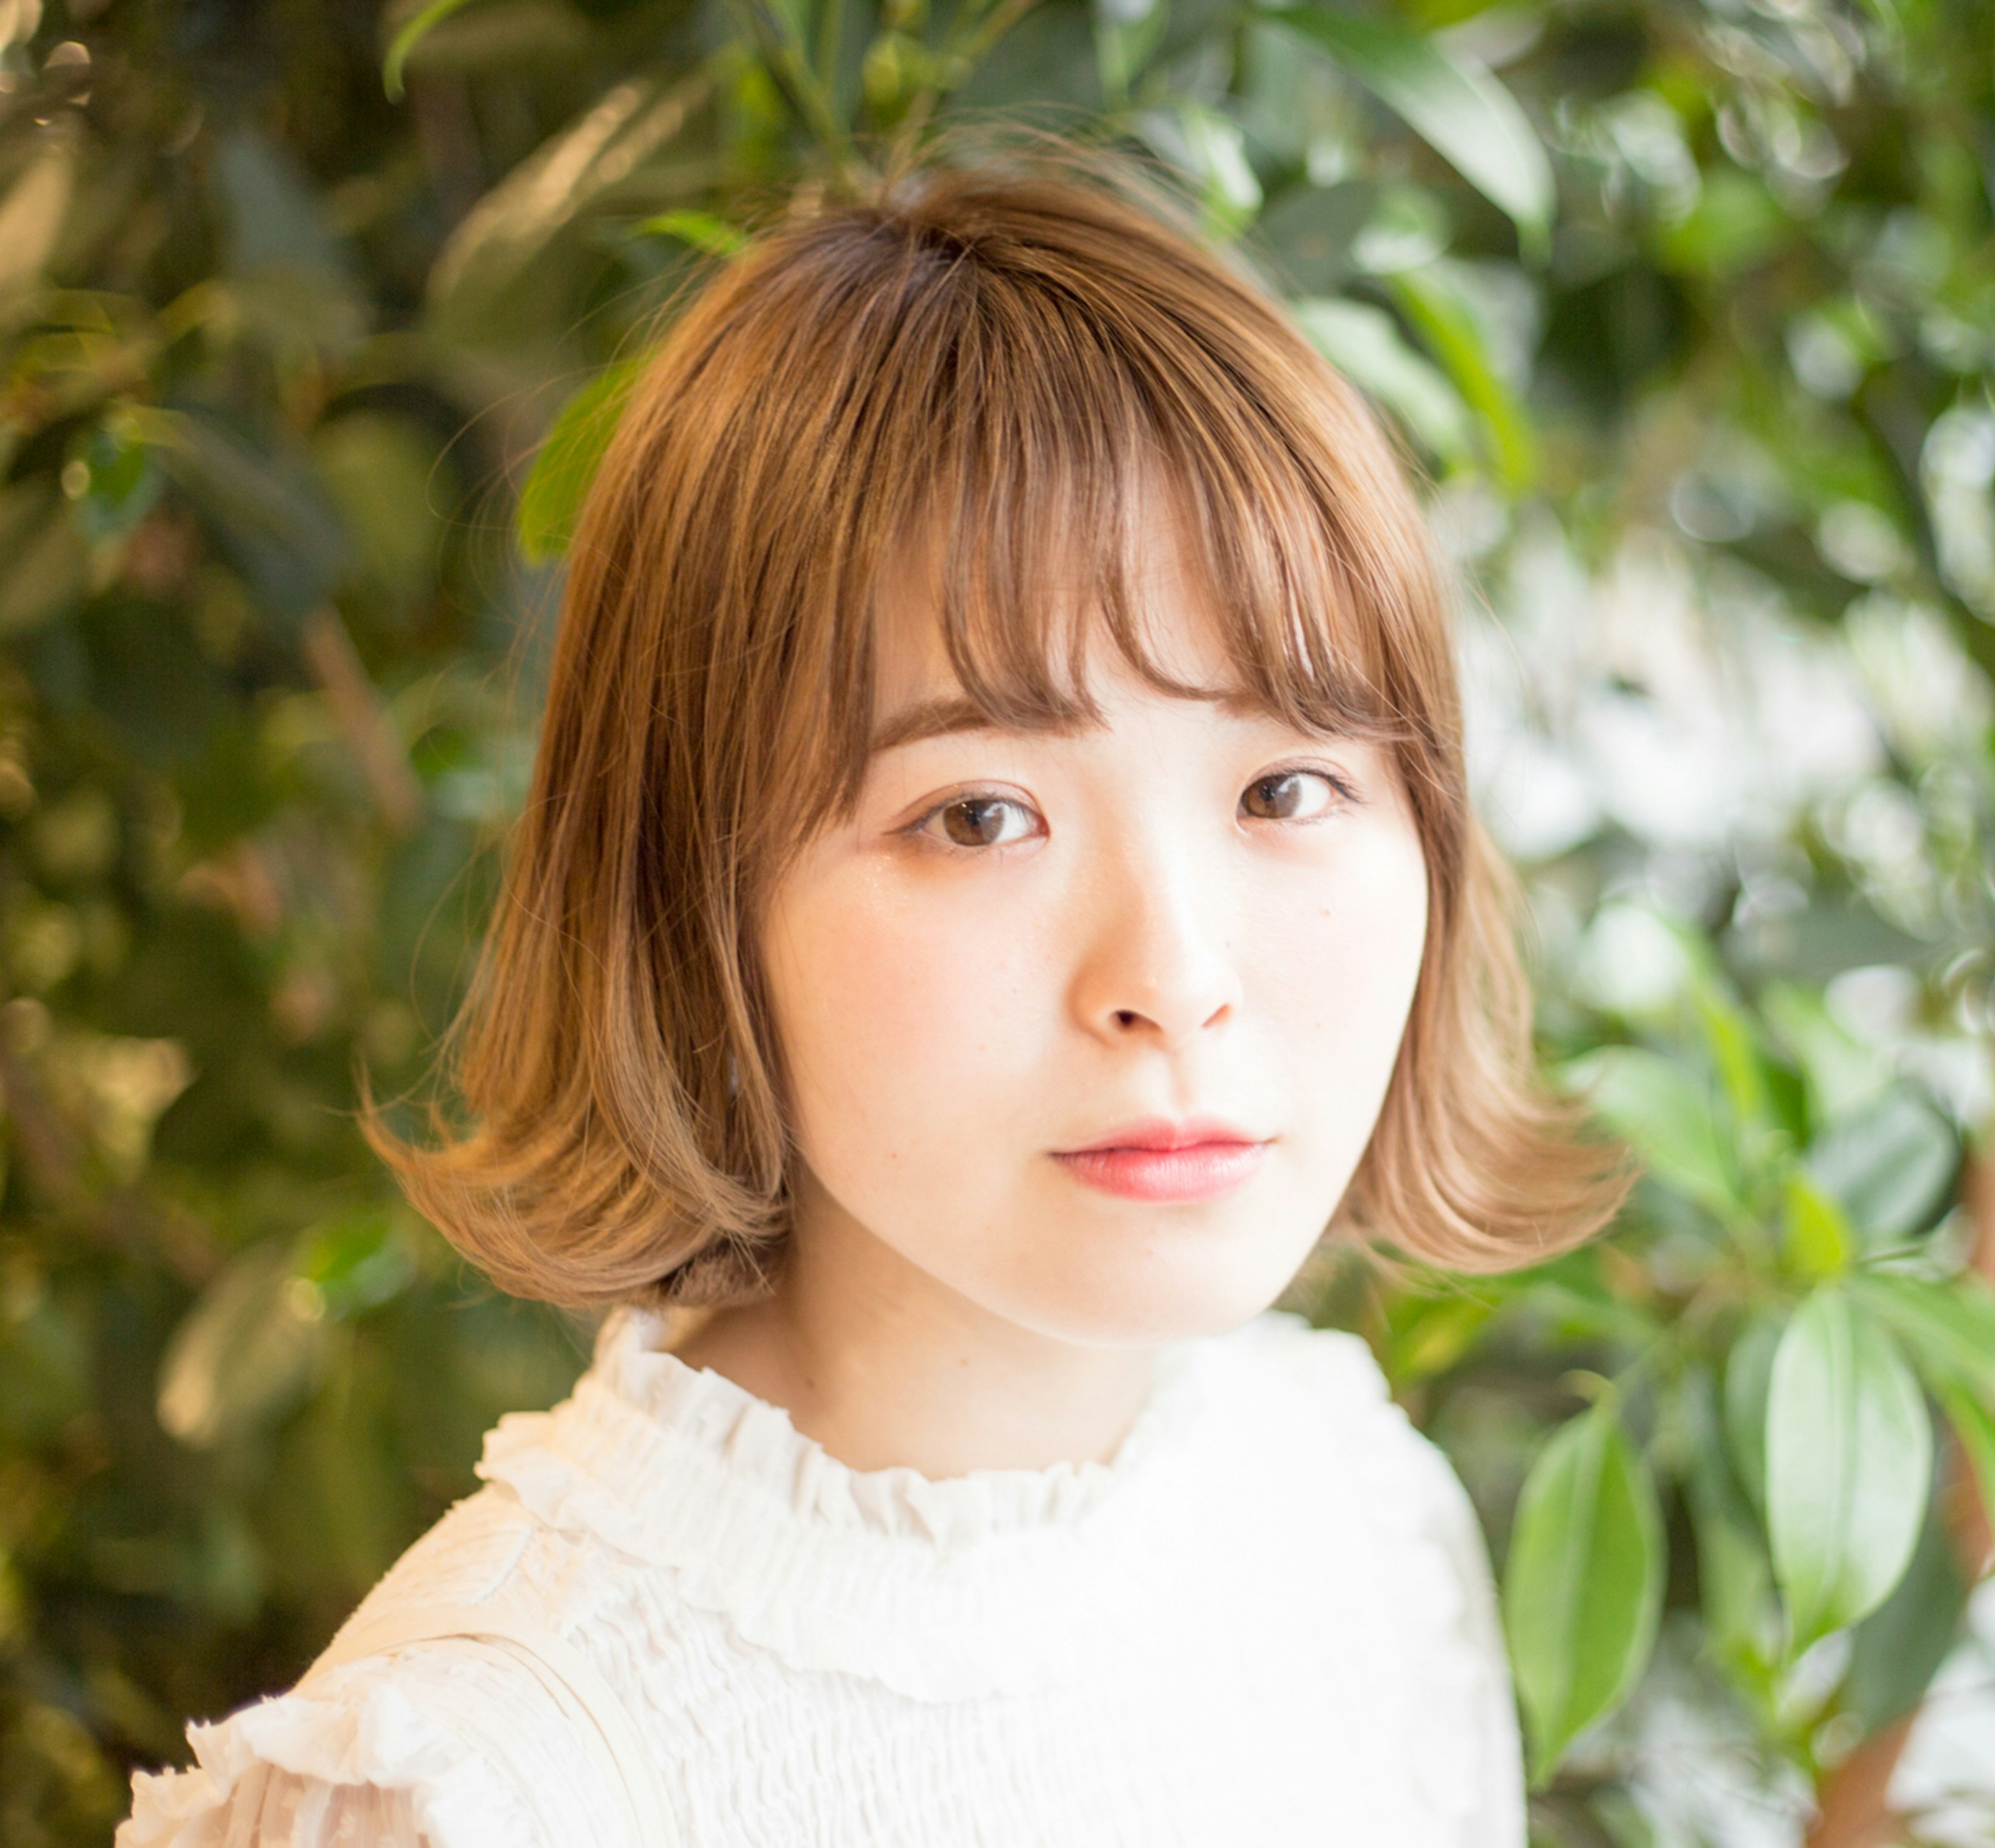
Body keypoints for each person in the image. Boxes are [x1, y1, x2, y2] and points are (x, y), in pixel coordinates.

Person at [114, 152, 1633, 1848]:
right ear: (698, 898)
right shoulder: (483, 1777)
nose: (1177, 981)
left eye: (1285, 788)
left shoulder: (1347, 1511)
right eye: (980, 814)